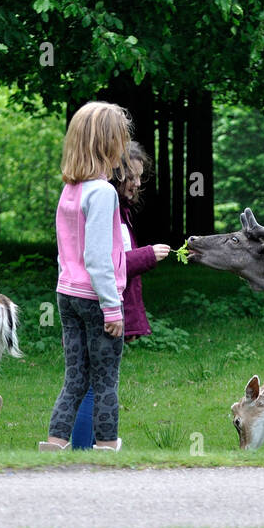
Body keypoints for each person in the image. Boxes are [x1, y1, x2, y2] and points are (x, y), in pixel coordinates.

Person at [39, 101, 132, 452]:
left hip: (67, 294)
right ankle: (107, 447)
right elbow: (97, 259)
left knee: (75, 378)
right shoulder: (102, 192)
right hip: (96, 299)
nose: (122, 147)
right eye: (120, 139)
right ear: (107, 143)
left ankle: (54, 444)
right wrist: (112, 308)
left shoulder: (71, 190)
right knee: (106, 380)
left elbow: (67, 251)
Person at [70, 142, 170, 448]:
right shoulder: (106, 208)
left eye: (140, 177)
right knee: (94, 386)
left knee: (89, 383)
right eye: (132, 177)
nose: (137, 184)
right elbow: (108, 264)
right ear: (116, 174)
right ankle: (85, 450)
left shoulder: (117, 210)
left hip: (98, 305)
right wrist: (149, 255)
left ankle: (82, 450)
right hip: (99, 307)